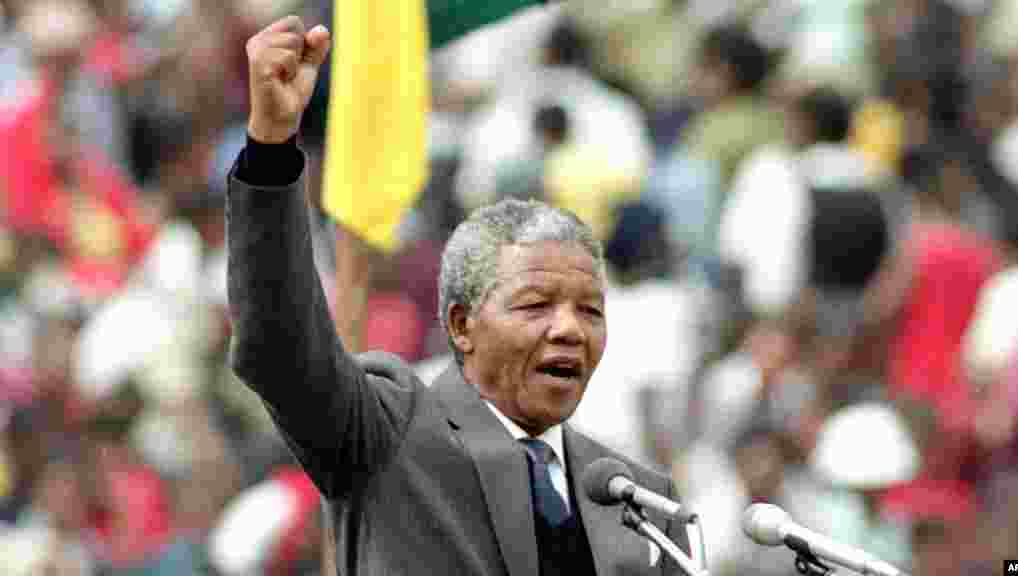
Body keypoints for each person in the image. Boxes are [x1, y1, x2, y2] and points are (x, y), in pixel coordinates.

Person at [226, 15, 688, 576]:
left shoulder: (640, 502)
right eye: (536, 305)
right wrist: (271, 151)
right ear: (462, 324)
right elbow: (280, 350)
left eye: (590, 309)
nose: (570, 329)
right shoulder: (384, 432)